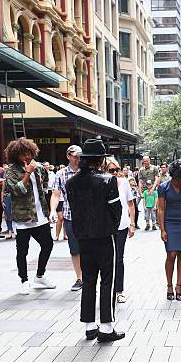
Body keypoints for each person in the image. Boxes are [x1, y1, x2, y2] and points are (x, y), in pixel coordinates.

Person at [67, 138, 124, 343]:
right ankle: (107, 327)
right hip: (104, 236)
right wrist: (112, 227)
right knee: (107, 279)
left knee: (88, 279)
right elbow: (116, 209)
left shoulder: (71, 182)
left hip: (83, 237)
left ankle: (90, 326)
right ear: (100, 159)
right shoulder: (107, 180)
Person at [4, 138, 56, 295]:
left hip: (40, 215)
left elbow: (46, 183)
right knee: (22, 251)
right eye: (22, 155)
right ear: (16, 156)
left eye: (28, 154)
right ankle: (24, 280)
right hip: (23, 218)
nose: (26, 158)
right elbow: (18, 190)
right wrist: (27, 173)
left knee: (48, 245)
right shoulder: (11, 171)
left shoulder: (38, 168)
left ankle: (39, 275)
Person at [157, 159, 181, 301]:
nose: (179, 180)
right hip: (169, 222)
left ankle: (178, 286)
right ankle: (169, 285)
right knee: (171, 254)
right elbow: (160, 209)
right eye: (177, 177)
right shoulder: (163, 187)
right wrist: (162, 229)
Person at [50, 145, 84, 291]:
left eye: (80, 157)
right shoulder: (61, 174)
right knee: (74, 249)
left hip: (88, 216)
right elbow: (56, 194)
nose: (78, 159)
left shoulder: (86, 171)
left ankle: (89, 276)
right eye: (75, 156)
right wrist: (52, 211)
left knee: (88, 248)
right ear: (68, 156)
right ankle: (80, 278)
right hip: (70, 215)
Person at [105, 157, 136, 304]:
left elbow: (131, 204)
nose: (115, 173)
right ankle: (106, 290)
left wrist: (132, 223)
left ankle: (119, 291)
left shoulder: (124, 183)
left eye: (116, 170)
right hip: (105, 228)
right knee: (105, 260)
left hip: (122, 226)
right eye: (111, 170)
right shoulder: (102, 183)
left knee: (119, 258)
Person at [1, 164, 15, 240]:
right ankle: (10, 231)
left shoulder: (17, 179)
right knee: (8, 214)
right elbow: (2, 191)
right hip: (7, 198)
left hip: (16, 198)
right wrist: (2, 200)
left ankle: (16, 231)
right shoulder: (5, 180)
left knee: (15, 215)